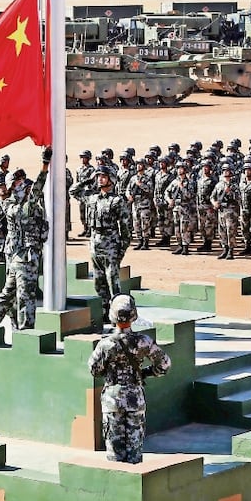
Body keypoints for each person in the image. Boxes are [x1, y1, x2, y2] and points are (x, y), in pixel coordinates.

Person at [88, 294, 171, 464]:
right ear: (133, 316)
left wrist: (109, 371)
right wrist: (144, 373)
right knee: (135, 455)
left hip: (112, 400)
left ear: (112, 316)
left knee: (114, 457)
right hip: (135, 399)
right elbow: (164, 365)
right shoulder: (144, 342)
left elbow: (94, 370)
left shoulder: (105, 344)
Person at [0, 148, 51, 330]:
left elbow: (37, 193)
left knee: (18, 293)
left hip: (26, 256)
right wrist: (45, 166)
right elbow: (37, 190)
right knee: (17, 294)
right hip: (19, 256)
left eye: (22, 180)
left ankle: (9, 323)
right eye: (16, 182)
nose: (21, 184)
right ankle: (16, 326)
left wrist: (44, 167)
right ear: (10, 188)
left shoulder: (29, 203)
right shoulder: (12, 205)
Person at [70, 163, 133, 322]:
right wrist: (87, 180)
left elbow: (125, 228)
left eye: (103, 176)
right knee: (99, 282)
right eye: (98, 176)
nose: (99, 179)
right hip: (95, 243)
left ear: (111, 179)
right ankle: (105, 313)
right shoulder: (92, 197)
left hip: (111, 243)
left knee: (113, 282)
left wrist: (122, 249)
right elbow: (73, 191)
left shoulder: (117, 201)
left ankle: (119, 314)